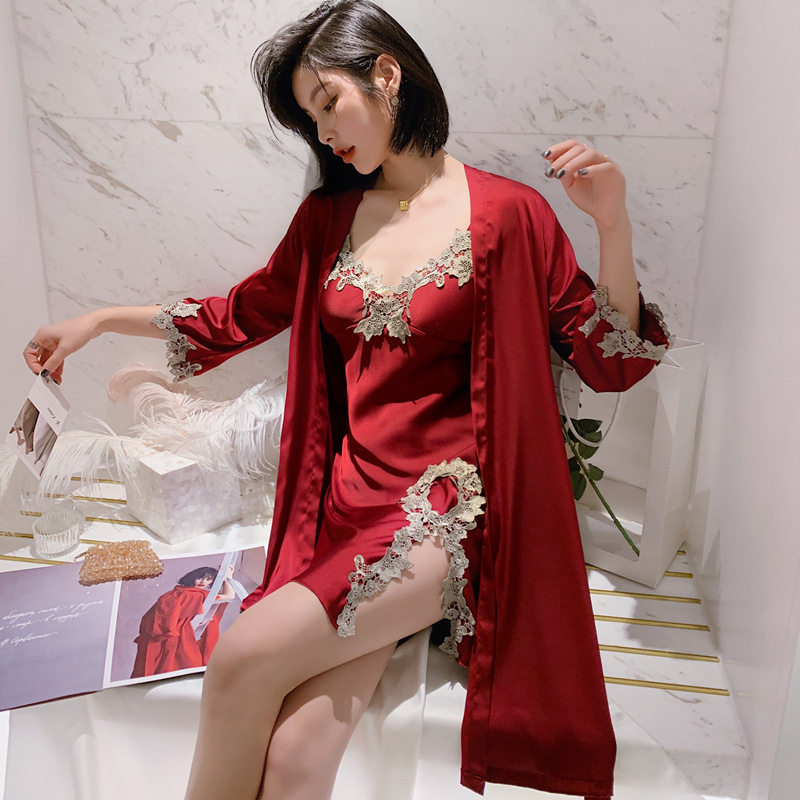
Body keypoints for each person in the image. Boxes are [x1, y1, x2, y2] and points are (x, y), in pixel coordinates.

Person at [22, 2, 672, 798]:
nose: (326, 132)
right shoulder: (327, 218)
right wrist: (95, 322)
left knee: (240, 657)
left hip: (444, 515)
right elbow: (234, 316)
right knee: (298, 755)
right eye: (312, 118)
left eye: (329, 102)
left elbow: (610, 358)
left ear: (387, 74)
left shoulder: (509, 214)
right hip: (342, 509)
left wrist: (612, 224)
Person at [130, 565, 236, 679]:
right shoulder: (192, 595)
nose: (203, 582)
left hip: (163, 633)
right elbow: (229, 596)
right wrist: (228, 577)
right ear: (192, 577)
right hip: (175, 633)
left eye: (208, 579)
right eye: (200, 578)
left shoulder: (178, 592)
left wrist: (223, 576)